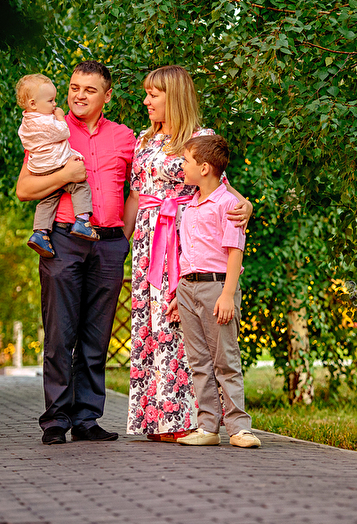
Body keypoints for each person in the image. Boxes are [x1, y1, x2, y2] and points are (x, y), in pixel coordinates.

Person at [122, 65, 252, 443]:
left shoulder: (199, 138)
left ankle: (188, 419)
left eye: (154, 95)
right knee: (151, 325)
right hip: (147, 242)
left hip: (182, 238)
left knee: (177, 326)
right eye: (146, 94)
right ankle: (157, 418)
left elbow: (221, 188)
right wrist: (119, 244)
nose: (146, 101)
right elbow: (136, 195)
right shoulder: (144, 139)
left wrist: (246, 206)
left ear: (174, 97)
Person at [15, 61, 135, 445]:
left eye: (89, 89)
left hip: (109, 243)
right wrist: (64, 176)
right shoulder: (52, 128)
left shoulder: (125, 137)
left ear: (107, 95)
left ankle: (86, 419)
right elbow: (24, 189)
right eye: (73, 87)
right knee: (59, 333)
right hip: (64, 240)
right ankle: (55, 420)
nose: (78, 96)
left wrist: (122, 237)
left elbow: (146, 186)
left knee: (96, 338)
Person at [171, 135, 261, 448]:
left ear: (205, 168)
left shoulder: (229, 205)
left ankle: (239, 428)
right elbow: (186, 253)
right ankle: (208, 427)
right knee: (199, 362)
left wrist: (227, 295)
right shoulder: (189, 206)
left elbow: (235, 252)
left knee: (225, 360)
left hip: (217, 288)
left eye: (186, 161)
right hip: (188, 289)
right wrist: (179, 293)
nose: (182, 167)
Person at [15, 73, 99, 258]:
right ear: (33, 104)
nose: (54, 104)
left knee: (48, 199)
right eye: (50, 100)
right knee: (80, 186)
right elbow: (63, 132)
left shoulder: (26, 122)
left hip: (40, 168)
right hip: (56, 163)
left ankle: (40, 233)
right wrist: (60, 116)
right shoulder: (46, 121)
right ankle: (82, 221)